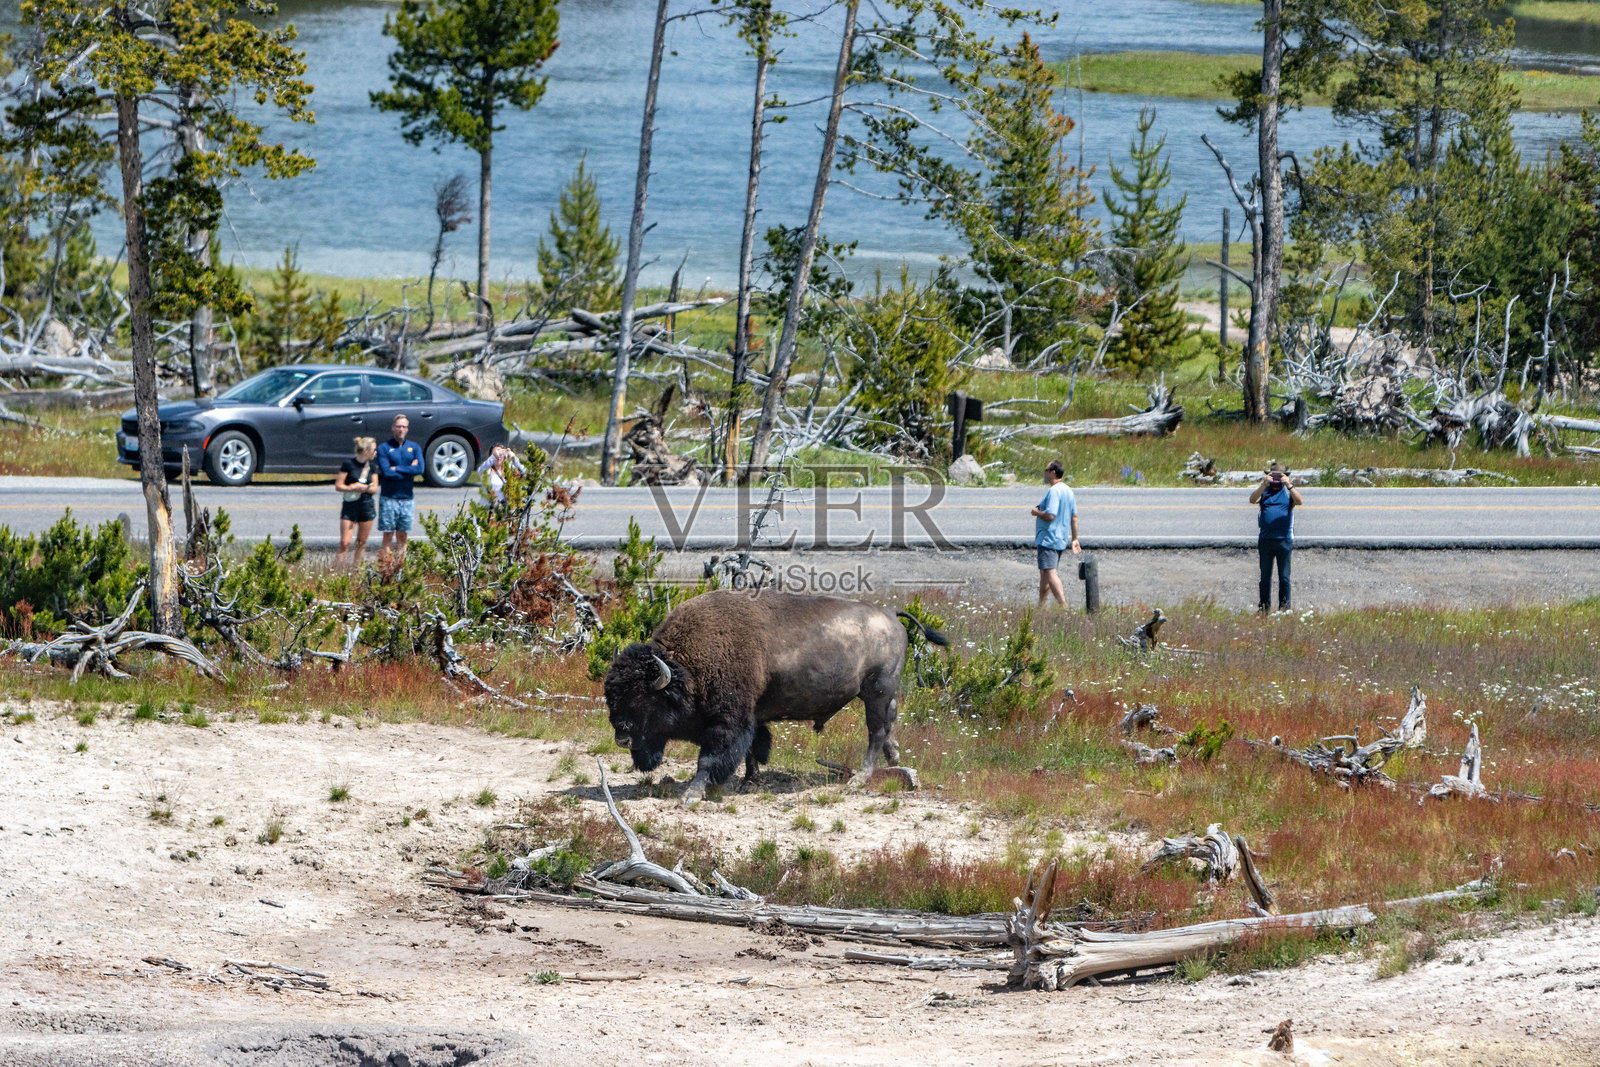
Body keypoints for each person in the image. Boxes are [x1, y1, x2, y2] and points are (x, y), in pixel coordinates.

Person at [1250, 460, 1304, 614]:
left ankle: (1285, 608)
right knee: (1264, 577)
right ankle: (1264, 607)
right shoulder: (1265, 491)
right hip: (1265, 540)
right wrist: (1263, 484)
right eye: (1273, 476)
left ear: (1285, 476)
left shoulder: (1288, 492)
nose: (1275, 480)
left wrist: (1289, 485)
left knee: (1284, 577)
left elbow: (1300, 501)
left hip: (1284, 540)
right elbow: (1252, 499)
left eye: (1278, 477)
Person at [1029, 458, 1081, 607]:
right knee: (1045, 572)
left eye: (1046, 470)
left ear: (1052, 472)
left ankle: (1063, 606)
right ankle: (1041, 605)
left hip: (1049, 538)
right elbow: (1074, 516)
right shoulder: (1068, 491)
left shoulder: (1054, 491)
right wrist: (1075, 538)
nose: (1044, 474)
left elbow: (1051, 515)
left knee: (1051, 572)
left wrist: (1036, 512)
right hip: (1060, 538)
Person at [376, 414, 424, 561]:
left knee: (402, 535)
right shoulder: (384, 448)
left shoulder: (414, 447)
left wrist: (397, 468)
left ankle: (400, 565)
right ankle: (386, 565)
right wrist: (409, 469)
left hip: (407, 498)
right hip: (389, 497)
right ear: (393, 428)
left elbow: (420, 469)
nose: (401, 429)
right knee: (388, 534)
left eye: (404, 426)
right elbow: (386, 472)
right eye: (398, 426)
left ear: (407, 429)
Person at [335, 437, 380, 566]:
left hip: (366, 504)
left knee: (361, 542)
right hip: (350, 504)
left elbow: (374, 488)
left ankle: (356, 569)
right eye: (373, 450)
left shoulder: (372, 465)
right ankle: (337, 570)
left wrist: (365, 488)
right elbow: (339, 486)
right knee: (345, 542)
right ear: (366, 450)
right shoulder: (348, 464)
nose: (375, 453)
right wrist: (351, 487)